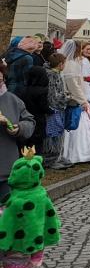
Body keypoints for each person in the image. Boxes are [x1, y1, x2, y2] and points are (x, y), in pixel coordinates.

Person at [0, 148, 60, 268]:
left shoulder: (14, 201)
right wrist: (53, 225)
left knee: (16, 258)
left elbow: (7, 222)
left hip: (18, 240)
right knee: (35, 255)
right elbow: (50, 213)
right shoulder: (41, 194)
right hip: (37, 236)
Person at [0, 64, 35, 201]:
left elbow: (30, 122)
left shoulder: (12, 100)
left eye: (1, 79)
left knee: (8, 214)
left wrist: (18, 128)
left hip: (6, 170)